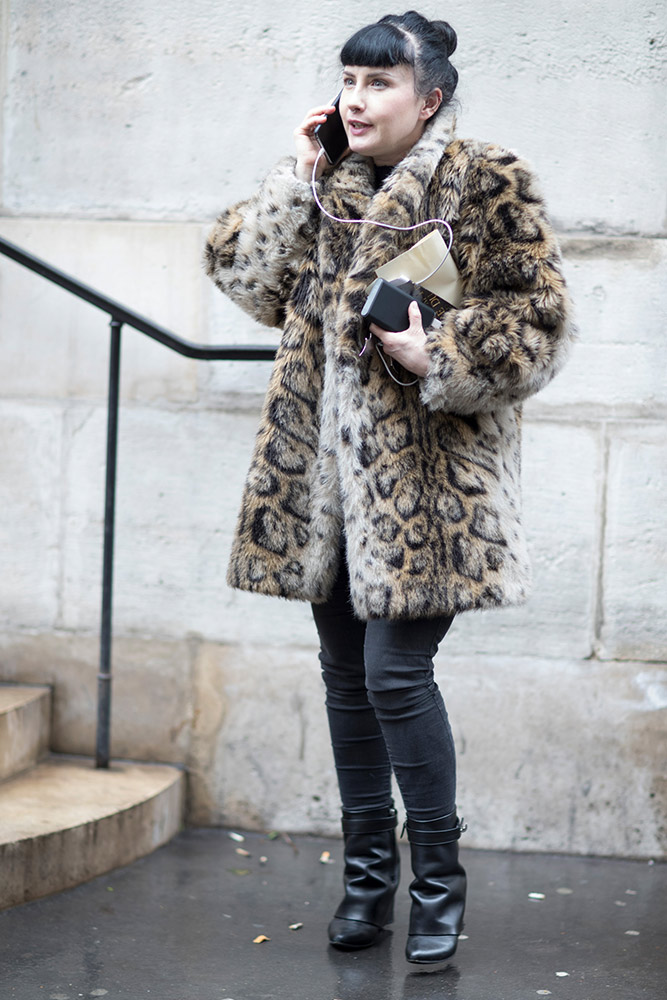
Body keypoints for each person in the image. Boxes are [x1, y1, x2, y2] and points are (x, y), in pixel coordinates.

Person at [205, 10, 573, 965]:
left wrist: (436, 351)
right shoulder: (330, 186)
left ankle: (438, 889)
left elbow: (538, 320)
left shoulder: (481, 178)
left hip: (430, 492)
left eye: (378, 84)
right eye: (348, 82)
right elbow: (243, 278)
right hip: (324, 486)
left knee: (394, 675)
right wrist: (299, 179)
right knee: (343, 680)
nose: (356, 99)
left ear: (430, 97)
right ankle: (367, 880)